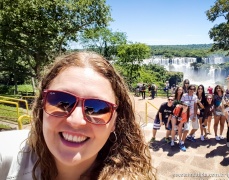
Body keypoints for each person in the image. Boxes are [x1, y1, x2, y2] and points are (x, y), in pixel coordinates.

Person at [0, 52, 156, 179]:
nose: (76, 120)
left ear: (115, 121)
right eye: (61, 100)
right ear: (41, 106)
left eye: (97, 108)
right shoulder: (6, 155)